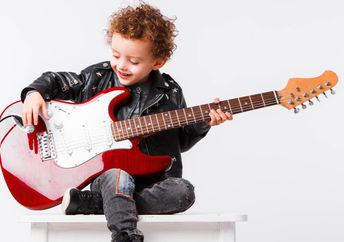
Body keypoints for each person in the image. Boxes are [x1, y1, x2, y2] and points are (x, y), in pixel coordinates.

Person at [21, 2, 233, 242]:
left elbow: (181, 140)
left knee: (184, 192)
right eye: (115, 55)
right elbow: (58, 80)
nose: (121, 65)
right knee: (118, 177)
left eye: (133, 61)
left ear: (158, 62)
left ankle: (95, 205)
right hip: (109, 178)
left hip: (153, 182)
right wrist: (34, 93)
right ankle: (126, 235)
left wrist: (203, 123)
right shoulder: (97, 77)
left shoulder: (170, 92)